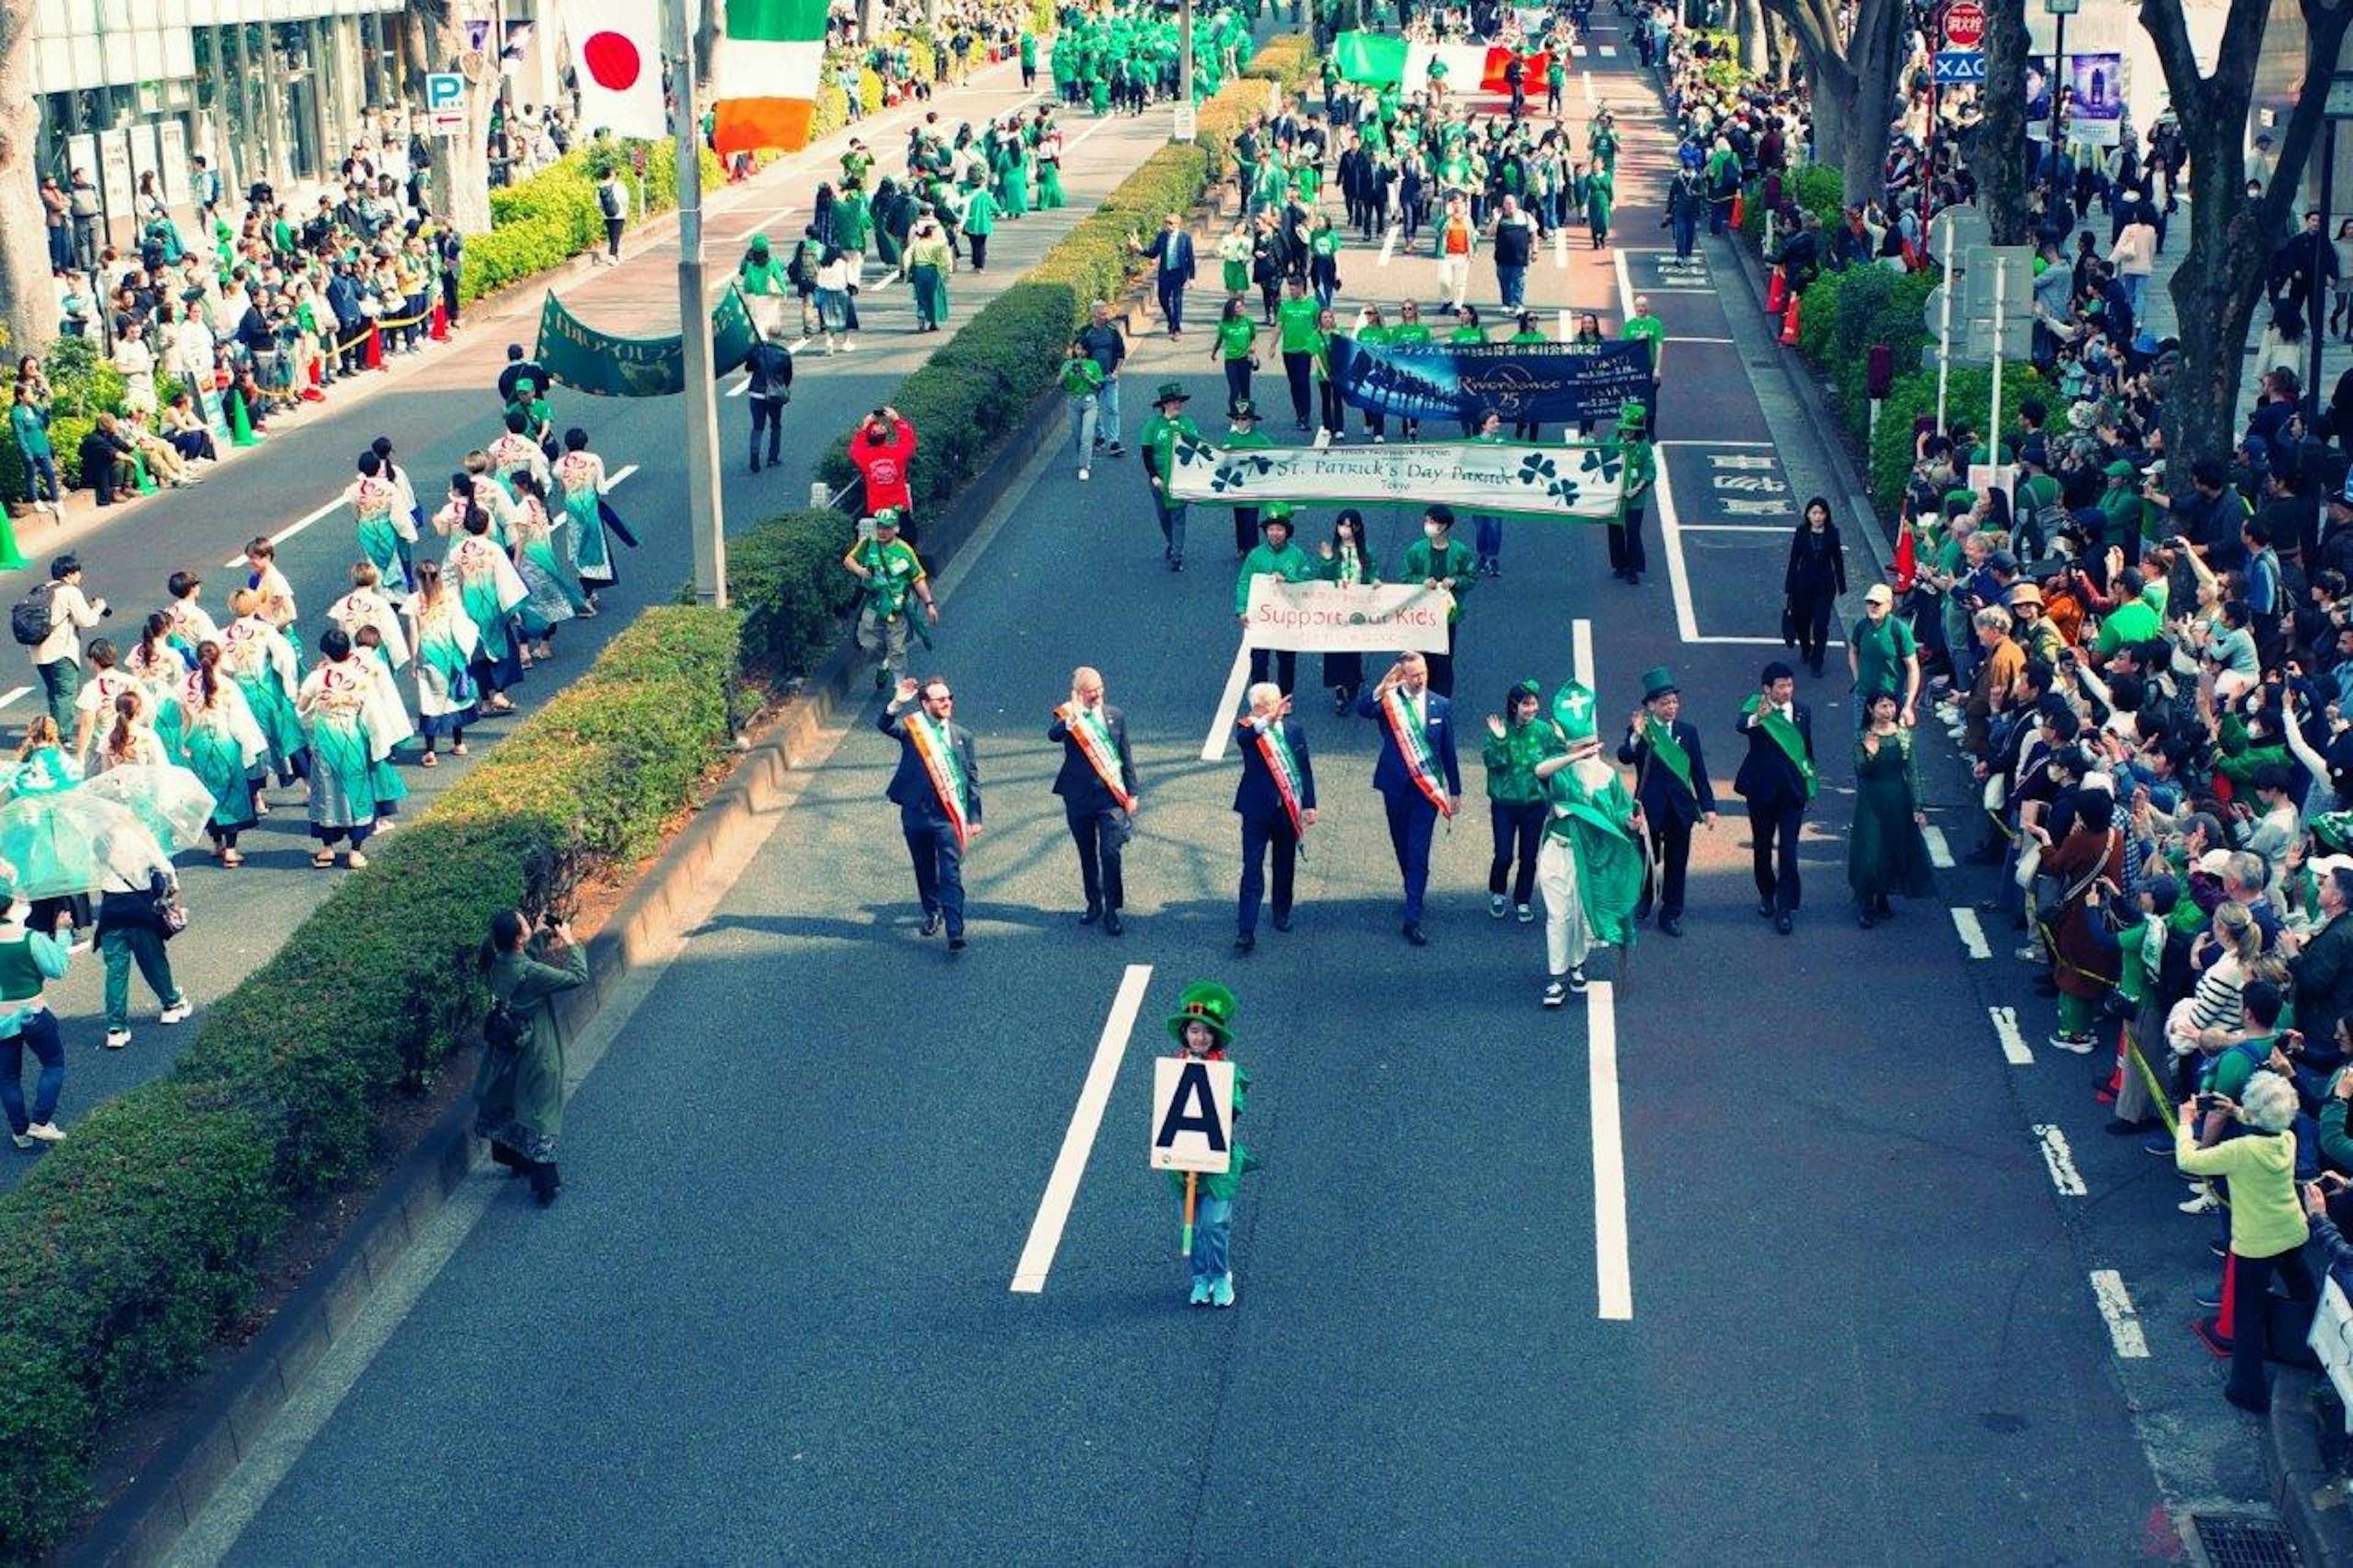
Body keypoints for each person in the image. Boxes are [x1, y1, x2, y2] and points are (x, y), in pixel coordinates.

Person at [2178, 1072, 2313, 1412]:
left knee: (2248, 1316)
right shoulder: (2287, 1139)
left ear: (2254, 1110)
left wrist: (2185, 1123)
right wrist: (2239, 1111)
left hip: (2256, 1244)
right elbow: (2267, 1123)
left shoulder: (2240, 1150)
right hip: (2293, 1232)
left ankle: (2247, 1390)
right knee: (2303, 1292)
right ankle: (2307, 1349)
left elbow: (2189, 1161)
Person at [1530, 681, 1646, 1005]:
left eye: (1590, 744)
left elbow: (1622, 813)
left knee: (1582, 914)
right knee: (1559, 916)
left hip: (1591, 855)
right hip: (1557, 849)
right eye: (1582, 745)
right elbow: (1539, 770)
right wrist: (1572, 756)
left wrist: (1632, 822)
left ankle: (1578, 965)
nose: (1589, 749)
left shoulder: (1608, 776)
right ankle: (1556, 979)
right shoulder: (1559, 770)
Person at [474, 908, 589, 1206]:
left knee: (508, 1102)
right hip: (536, 1046)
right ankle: (544, 1184)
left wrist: (538, 936)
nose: (528, 921)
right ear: (519, 938)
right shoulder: (534, 974)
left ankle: (515, 1160)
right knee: (541, 1110)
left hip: (506, 1046)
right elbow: (577, 976)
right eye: (526, 923)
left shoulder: (495, 961)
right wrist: (570, 942)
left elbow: (523, 969)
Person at [1357, 651, 1461, 945]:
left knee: (1419, 852)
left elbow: (1449, 751)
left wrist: (1455, 791)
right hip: (1395, 785)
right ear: (1402, 676)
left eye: (1424, 674)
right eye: (1414, 675)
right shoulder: (1390, 702)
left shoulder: (1440, 705)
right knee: (1402, 845)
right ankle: (1412, 887)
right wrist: (1382, 686)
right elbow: (1364, 710)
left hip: (1426, 790)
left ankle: (1412, 915)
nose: (1421, 679)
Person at [1164, 981, 1251, 1308]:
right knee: (1194, 1225)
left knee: (1215, 1224)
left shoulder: (1227, 1071)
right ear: (1185, 1034)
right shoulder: (1175, 1070)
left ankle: (1220, 1275)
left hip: (1216, 1161)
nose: (1199, 1037)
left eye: (1206, 1032)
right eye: (1194, 1031)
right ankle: (1200, 1277)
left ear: (1215, 1037)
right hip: (1183, 1161)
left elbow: (1233, 1112)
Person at [878, 675, 982, 950]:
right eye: (940, 699)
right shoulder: (913, 729)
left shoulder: (963, 736)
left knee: (951, 872)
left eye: (949, 698)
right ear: (925, 704)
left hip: (948, 816)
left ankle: (955, 929)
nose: (947, 703)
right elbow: (885, 726)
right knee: (925, 868)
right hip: (917, 813)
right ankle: (932, 911)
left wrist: (974, 817)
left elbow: (972, 776)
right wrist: (897, 702)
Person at [1618, 665, 1719, 937]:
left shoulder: (1688, 732)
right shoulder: (1641, 729)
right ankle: (1644, 902)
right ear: (1652, 706)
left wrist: (1708, 807)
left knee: (1677, 862)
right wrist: (1637, 735)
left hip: (1680, 809)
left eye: (1674, 702)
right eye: (1665, 703)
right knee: (1647, 859)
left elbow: (1699, 771)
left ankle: (1671, 912)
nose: (1671, 707)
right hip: (1648, 808)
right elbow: (1625, 756)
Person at [1047, 665, 1139, 934]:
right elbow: (1053, 735)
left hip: (1110, 797)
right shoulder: (1068, 716)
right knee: (1087, 853)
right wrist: (1072, 719)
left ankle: (1112, 910)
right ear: (1078, 694)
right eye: (1090, 692)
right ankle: (1094, 904)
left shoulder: (1116, 716)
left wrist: (1132, 793)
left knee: (1110, 854)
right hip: (1079, 797)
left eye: (1099, 689)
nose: (1097, 695)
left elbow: (1126, 755)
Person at [1233, 681, 1316, 951]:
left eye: (1280, 701)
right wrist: (1266, 720)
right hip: (1256, 811)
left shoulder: (1293, 730)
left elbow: (1304, 768)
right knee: (1253, 868)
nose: (1282, 706)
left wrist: (1309, 804)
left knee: (1285, 865)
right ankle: (1247, 928)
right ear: (1258, 708)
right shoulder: (1249, 728)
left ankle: (1282, 912)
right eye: (1273, 703)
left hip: (1286, 810)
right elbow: (1245, 740)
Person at [1735, 661, 1816, 935]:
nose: (1787, 691)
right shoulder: (1756, 709)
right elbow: (1741, 726)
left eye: (1790, 685)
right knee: (1762, 846)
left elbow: (1807, 751)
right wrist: (1759, 717)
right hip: (1761, 791)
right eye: (1781, 686)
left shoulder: (1803, 712)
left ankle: (1784, 909)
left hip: (1792, 793)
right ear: (1767, 689)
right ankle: (1767, 894)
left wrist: (1810, 787)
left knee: (1789, 852)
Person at [93, 831, 191, 1050]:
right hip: (140, 908)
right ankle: (171, 1004)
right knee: (153, 961)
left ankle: (116, 1028)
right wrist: (173, 884)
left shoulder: (99, 839)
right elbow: (164, 866)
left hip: (110, 912)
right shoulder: (140, 834)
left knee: (116, 972)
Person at [1846, 689, 1934, 928]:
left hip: (1898, 799)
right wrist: (1871, 755)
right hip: (1871, 801)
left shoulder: (1904, 735)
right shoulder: (1863, 736)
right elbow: (1860, 769)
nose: (1889, 711)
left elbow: (1913, 771)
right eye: (1883, 706)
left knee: (1892, 848)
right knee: (1870, 849)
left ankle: (1883, 897)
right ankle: (1866, 902)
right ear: (1870, 709)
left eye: (1891, 706)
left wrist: (1918, 806)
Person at [1483, 680, 1563, 924]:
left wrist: (1560, 742)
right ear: (1514, 706)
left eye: (1534, 704)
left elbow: (1556, 763)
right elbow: (1493, 763)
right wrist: (1499, 740)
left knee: (1529, 857)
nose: (1531, 709)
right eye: (1526, 705)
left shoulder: (1543, 731)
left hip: (1535, 804)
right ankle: (1498, 893)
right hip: (1504, 804)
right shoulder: (1500, 729)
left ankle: (1523, 900)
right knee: (1504, 854)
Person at [0, 899, 71, 1149]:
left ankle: (21, 1133)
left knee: (8, 1078)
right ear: (10, 905)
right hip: (34, 1012)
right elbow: (58, 968)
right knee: (53, 1064)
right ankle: (40, 1122)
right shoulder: (30, 937)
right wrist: (63, 932)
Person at [843, 510, 936, 692]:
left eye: (887, 528)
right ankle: (883, 664)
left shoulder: (905, 551)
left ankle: (898, 684)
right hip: (874, 603)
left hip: (897, 606)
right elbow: (849, 560)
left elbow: (918, 578)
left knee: (897, 647)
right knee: (868, 643)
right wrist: (860, 571)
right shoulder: (868, 544)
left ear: (896, 529)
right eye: (879, 527)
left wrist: (929, 604)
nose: (882, 532)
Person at [1396, 506, 1475, 697]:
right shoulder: (1417, 550)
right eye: (1427, 521)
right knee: (1418, 657)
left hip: (1446, 616)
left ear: (1444, 526)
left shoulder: (1460, 552)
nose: (1428, 526)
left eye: (1432, 522)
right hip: (1420, 615)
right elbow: (1405, 576)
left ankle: (1441, 699)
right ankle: (1416, 694)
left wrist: (1455, 581)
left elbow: (1471, 578)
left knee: (1444, 661)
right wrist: (1421, 582)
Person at [1235, 507, 1316, 694]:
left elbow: (1308, 580)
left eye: (1279, 529)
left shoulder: (1297, 555)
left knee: (1287, 659)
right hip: (1260, 616)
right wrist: (1241, 609)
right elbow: (1245, 581)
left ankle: (1285, 697)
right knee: (1259, 659)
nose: (1275, 533)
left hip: (1286, 617)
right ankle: (1260, 698)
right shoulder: (1256, 555)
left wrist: (1289, 579)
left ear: (1287, 532)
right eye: (1271, 529)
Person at [28, 555, 108, 735]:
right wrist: (98, 608)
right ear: (70, 574)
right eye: (78, 573)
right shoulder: (70, 592)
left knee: (54, 694)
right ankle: (60, 737)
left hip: (38, 652)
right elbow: (86, 620)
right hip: (61, 653)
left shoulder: (41, 590)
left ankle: (51, 731)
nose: (80, 577)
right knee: (64, 695)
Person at [1317, 509, 1377, 713]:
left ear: (1357, 528)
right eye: (1341, 525)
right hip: (1335, 608)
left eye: (1349, 525)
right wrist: (1327, 561)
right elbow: (1323, 578)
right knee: (1334, 651)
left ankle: (1352, 683)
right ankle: (1339, 691)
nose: (1344, 529)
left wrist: (1375, 582)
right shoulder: (1333, 550)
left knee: (1353, 650)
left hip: (1358, 608)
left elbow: (1371, 573)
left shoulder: (1366, 551)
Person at [1140, 382, 1200, 572]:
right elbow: (1147, 453)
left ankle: (1177, 554)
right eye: (1173, 402)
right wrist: (1154, 476)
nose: (1177, 405)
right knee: (1163, 517)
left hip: (1180, 478)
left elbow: (1198, 448)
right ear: (1164, 405)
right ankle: (1171, 542)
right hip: (1160, 479)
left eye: (1179, 402)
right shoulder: (1153, 425)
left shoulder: (1188, 423)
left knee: (1178, 516)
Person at [1784, 496, 1847, 676]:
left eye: (1821, 513)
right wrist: (1789, 586)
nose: (1818, 517)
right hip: (1802, 585)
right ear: (1808, 515)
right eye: (1815, 513)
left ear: (1827, 515)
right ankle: (1806, 649)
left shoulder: (1832, 533)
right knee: (1802, 622)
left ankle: (1817, 661)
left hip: (1825, 586)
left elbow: (1837, 559)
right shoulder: (1802, 532)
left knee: (1821, 626)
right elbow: (1794, 559)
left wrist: (1841, 584)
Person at [1846, 579, 1920, 727]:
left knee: (1891, 743)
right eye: (1869, 602)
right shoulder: (1862, 626)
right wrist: (1858, 678)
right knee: (1861, 740)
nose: (1872, 606)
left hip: (1891, 699)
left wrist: (1908, 705)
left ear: (1889, 605)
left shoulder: (1899, 630)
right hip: (1864, 695)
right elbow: (1853, 651)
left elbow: (1913, 668)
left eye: (1877, 603)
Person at [850, 406, 918, 532]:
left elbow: (856, 448)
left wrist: (865, 426)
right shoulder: (898, 454)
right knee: (908, 537)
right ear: (885, 437)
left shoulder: (865, 457)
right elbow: (908, 440)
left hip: (876, 509)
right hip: (899, 507)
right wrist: (897, 420)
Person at [1609, 403, 1655, 585]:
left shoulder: (1644, 447)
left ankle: (1633, 569)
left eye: (1631, 430)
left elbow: (1650, 471)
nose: (1627, 432)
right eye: (1625, 429)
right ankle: (1619, 565)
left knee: (1633, 533)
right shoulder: (1613, 442)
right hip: (1616, 497)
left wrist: (1636, 489)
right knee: (1615, 531)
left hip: (1635, 499)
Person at [1134, 212, 1197, 338]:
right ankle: (1171, 320)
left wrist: (1192, 278)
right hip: (1165, 273)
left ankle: (1176, 329)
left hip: (1179, 273)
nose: (1168, 226)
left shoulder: (1185, 238)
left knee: (1176, 301)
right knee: (1163, 299)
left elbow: (1190, 258)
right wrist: (1140, 250)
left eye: (1171, 223)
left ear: (1179, 224)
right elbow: (1153, 253)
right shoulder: (1162, 236)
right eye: (1167, 223)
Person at [743, 322, 795, 473]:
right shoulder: (784, 354)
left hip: (756, 393)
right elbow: (788, 376)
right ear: (780, 335)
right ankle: (773, 458)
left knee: (757, 426)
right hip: (775, 395)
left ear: (767, 332)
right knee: (776, 425)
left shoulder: (758, 350)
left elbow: (749, 368)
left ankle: (754, 458)